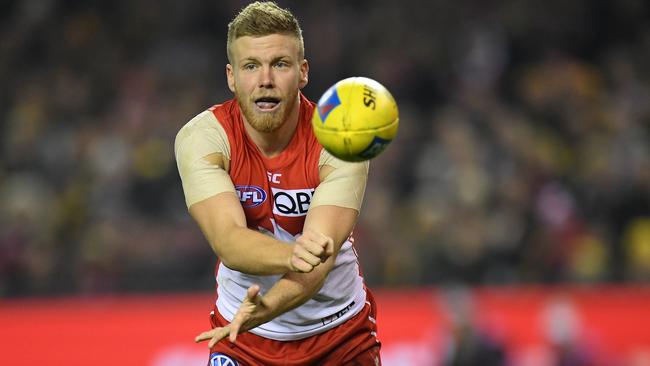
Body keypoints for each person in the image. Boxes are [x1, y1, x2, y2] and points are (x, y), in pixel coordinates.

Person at [174, 2, 381, 365]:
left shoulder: (341, 139)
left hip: (339, 334)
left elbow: (319, 265)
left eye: (280, 64)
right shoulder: (203, 137)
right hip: (242, 334)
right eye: (251, 66)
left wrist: (266, 308)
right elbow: (229, 241)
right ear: (231, 76)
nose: (265, 80)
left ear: (302, 73)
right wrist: (293, 256)